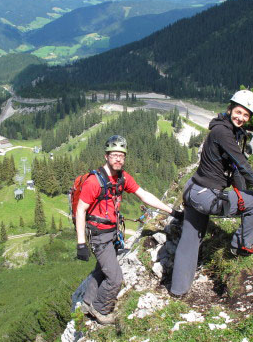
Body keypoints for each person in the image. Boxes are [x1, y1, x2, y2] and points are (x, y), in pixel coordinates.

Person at [170, 90, 253, 297]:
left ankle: (178, 290)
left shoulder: (222, 128)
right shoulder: (224, 133)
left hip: (193, 190)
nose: (241, 118)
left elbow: (233, 168)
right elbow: (241, 164)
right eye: (239, 112)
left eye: (246, 115)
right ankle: (243, 245)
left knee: (190, 239)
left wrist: (242, 192)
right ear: (231, 108)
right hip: (206, 195)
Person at [76, 135, 183, 324]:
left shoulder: (122, 178)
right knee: (115, 278)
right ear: (106, 157)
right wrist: (81, 244)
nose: (118, 159)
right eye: (114, 155)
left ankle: (87, 302)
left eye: (121, 156)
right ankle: (100, 309)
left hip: (111, 231)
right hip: (99, 235)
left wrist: (171, 211)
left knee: (102, 268)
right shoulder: (94, 182)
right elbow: (80, 210)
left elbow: (144, 195)